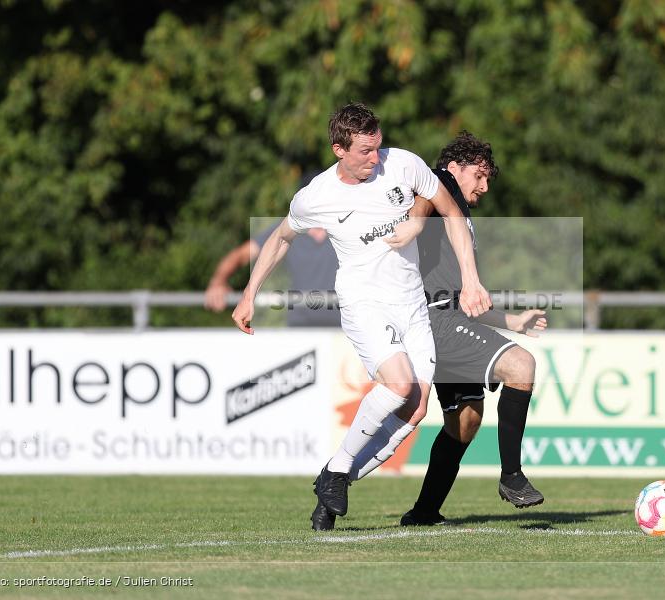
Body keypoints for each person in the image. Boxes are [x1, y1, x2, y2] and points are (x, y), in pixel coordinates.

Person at [230, 103, 491, 529]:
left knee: (416, 408)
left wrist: (470, 278)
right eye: (366, 151)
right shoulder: (316, 196)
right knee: (398, 384)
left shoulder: (403, 164)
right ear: (339, 149)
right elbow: (280, 239)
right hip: (363, 300)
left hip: (411, 303)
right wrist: (248, 294)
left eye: (378, 146)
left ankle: (334, 478)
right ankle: (336, 474)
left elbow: (451, 210)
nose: (376, 157)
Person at [311, 131, 547, 531]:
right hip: (436, 322)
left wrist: (512, 322)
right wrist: (415, 224)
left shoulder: (460, 216)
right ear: (456, 167)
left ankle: (348, 487)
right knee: (521, 366)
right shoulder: (442, 182)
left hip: (448, 317)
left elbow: (462, 297)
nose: (485, 186)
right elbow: (423, 194)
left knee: (466, 421)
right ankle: (511, 476)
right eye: (480, 176)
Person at [205, 222, 340, 327]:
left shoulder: (350, 224)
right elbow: (242, 254)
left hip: (347, 327)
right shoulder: (288, 227)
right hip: (301, 326)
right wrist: (218, 282)